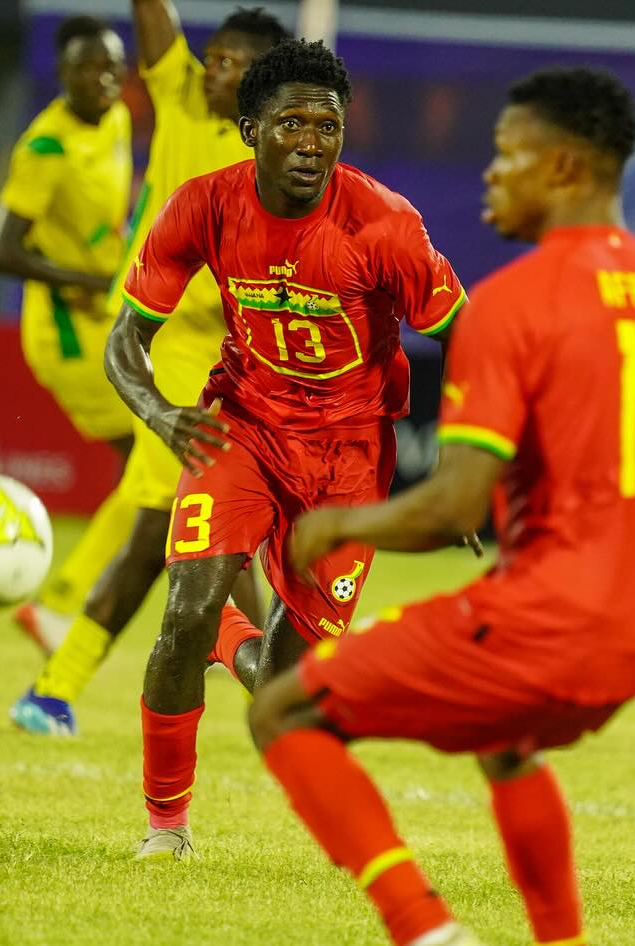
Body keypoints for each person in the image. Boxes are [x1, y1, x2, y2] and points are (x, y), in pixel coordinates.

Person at [248, 68, 635, 946]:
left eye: (507, 154)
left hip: (545, 621)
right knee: (506, 742)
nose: (491, 172)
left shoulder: (511, 304)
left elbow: (453, 508)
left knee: (280, 713)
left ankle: (425, 930)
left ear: (562, 167)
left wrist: (339, 523)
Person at [111, 39, 467, 862]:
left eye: (327, 126)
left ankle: (229, 638)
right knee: (183, 612)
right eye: (291, 125)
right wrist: (159, 413)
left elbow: (472, 339)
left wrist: (464, 467)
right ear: (250, 130)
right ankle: (166, 827)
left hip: (349, 456)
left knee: (280, 692)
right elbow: (126, 337)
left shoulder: (385, 224)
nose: (311, 143)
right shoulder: (202, 206)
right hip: (240, 425)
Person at [8, 2, 286, 730]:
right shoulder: (182, 99)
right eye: (211, 56)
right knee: (192, 540)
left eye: (229, 63)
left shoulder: (277, 159)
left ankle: (53, 692)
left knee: (187, 538)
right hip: (168, 353)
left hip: (230, 363)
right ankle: (279, 696)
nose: (210, 70)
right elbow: (155, 21)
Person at [0, 16, 136, 649]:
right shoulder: (44, 148)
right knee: (163, 467)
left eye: (110, 67)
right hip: (68, 337)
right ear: (62, 73)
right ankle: (59, 602)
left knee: (162, 472)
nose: (100, 79)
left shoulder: (118, 120)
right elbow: (2, 252)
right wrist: (85, 278)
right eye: (85, 67)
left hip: (110, 318)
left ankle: (69, 605)